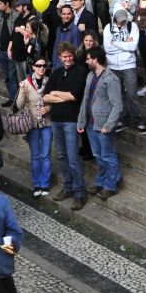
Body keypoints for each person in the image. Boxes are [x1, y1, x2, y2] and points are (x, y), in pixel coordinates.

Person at [43, 44, 89, 206]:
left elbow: (74, 96)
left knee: (73, 158)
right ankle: (68, 186)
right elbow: (45, 97)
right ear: (59, 57)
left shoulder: (80, 72)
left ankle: (79, 192)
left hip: (71, 120)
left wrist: (56, 93)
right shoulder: (56, 72)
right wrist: (61, 96)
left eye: (70, 55)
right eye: (64, 56)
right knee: (62, 155)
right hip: (56, 119)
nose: (67, 58)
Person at [76, 47, 122, 199]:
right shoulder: (90, 75)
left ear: (96, 59)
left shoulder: (111, 78)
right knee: (98, 155)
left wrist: (108, 126)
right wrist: (81, 121)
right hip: (91, 124)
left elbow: (117, 105)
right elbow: (85, 100)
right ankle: (101, 181)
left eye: (89, 58)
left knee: (108, 155)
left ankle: (111, 184)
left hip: (103, 125)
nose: (86, 61)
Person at [15, 54, 53, 197]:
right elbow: (19, 105)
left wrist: (48, 109)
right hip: (31, 123)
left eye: (44, 66)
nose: (41, 68)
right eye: (38, 66)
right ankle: (37, 183)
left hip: (47, 122)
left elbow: (56, 101)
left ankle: (45, 184)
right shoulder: (26, 83)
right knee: (35, 155)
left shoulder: (50, 81)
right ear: (33, 67)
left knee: (46, 155)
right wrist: (21, 91)